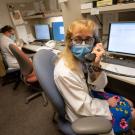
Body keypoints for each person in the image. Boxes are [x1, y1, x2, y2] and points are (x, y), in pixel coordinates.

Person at [54, 19, 135, 134]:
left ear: (95, 42)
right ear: (69, 42)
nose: (83, 45)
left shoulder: (83, 59)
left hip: (91, 95)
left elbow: (100, 85)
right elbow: (83, 107)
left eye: (88, 40)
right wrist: (106, 103)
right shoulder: (65, 72)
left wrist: (96, 64)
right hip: (84, 111)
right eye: (77, 39)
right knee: (133, 113)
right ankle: (125, 128)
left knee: (129, 102)